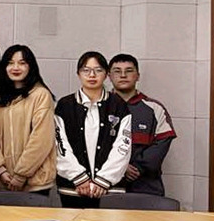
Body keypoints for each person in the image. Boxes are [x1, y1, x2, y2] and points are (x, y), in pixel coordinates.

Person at [56, 52, 133, 209]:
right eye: (86, 70)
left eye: (98, 70)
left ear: (106, 74)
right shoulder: (65, 105)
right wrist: (79, 178)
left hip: (110, 190)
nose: (92, 75)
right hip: (73, 188)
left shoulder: (118, 105)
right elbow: (58, 145)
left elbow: (123, 146)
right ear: (78, 73)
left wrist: (103, 180)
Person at [0, 45, 56, 196]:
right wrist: (0, 170)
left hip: (36, 183)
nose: (15, 68)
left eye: (22, 63)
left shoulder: (41, 95)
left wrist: (21, 175)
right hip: (4, 181)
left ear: (30, 67)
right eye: (10, 63)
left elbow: (41, 139)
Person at [108, 54, 176, 196]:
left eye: (129, 71)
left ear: (137, 76)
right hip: (108, 186)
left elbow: (162, 143)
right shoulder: (99, 107)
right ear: (109, 76)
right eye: (117, 71)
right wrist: (121, 167)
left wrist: (138, 167)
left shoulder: (154, 108)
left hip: (146, 187)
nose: (123, 75)